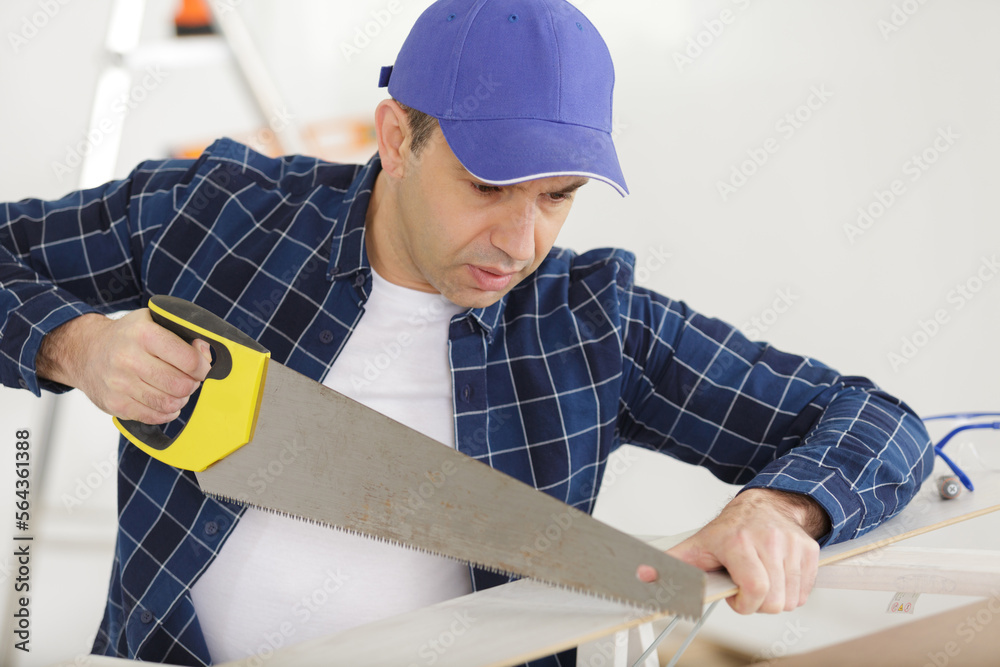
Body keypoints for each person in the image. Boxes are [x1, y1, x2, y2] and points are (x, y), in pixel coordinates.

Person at [0, 0, 932, 665]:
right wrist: (72, 344)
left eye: (558, 198)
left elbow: (877, 420)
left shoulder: (591, 319)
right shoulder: (217, 214)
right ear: (398, 137)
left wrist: (783, 507)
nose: (520, 241)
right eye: (488, 186)